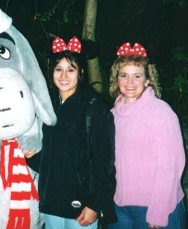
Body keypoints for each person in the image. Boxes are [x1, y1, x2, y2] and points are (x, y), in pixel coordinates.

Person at [26, 36, 116, 229]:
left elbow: (104, 161)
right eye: (58, 69)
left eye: (71, 69)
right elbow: (48, 160)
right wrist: (31, 155)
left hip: (82, 203)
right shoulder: (45, 105)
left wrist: (94, 203)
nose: (64, 76)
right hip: (52, 201)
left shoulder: (94, 107)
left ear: (81, 72)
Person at [108, 42, 186, 229]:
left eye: (137, 76)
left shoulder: (160, 112)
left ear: (147, 80)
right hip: (120, 207)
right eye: (124, 75)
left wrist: (158, 213)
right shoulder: (112, 114)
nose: (130, 82)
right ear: (116, 79)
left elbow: (170, 165)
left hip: (157, 208)